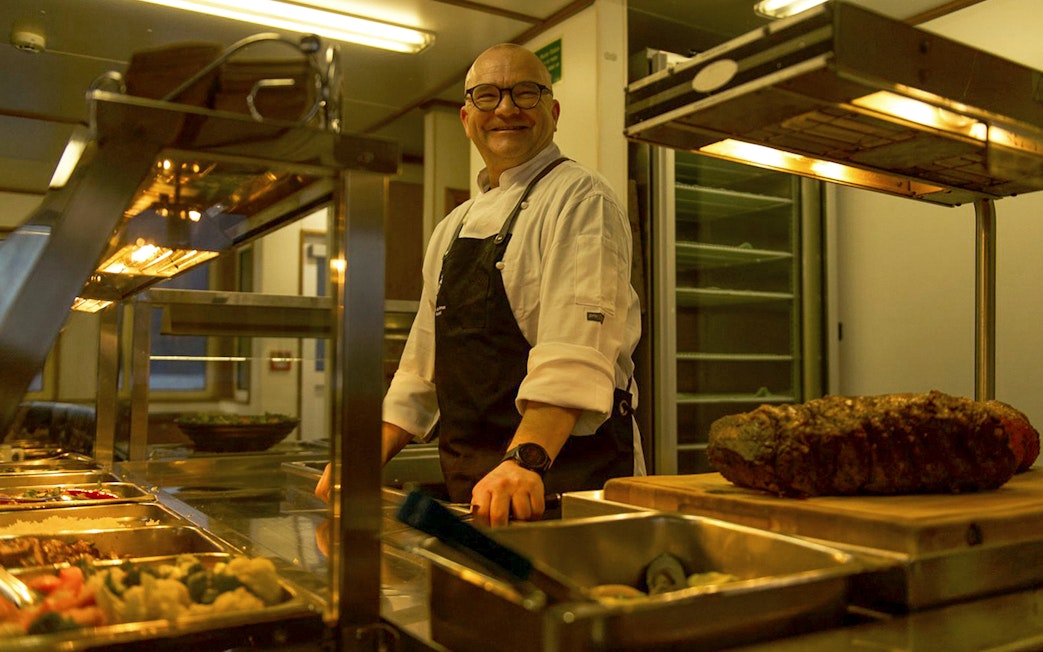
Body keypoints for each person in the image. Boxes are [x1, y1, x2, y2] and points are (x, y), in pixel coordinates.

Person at [316, 43, 644, 526]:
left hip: (568, 481)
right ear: (466, 117)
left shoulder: (581, 197)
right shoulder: (452, 227)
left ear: (551, 111)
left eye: (525, 93)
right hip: (476, 487)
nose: (506, 108)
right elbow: (420, 370)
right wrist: (363, 455)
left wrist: (524, 461)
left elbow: (577, 351)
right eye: (488, 96)